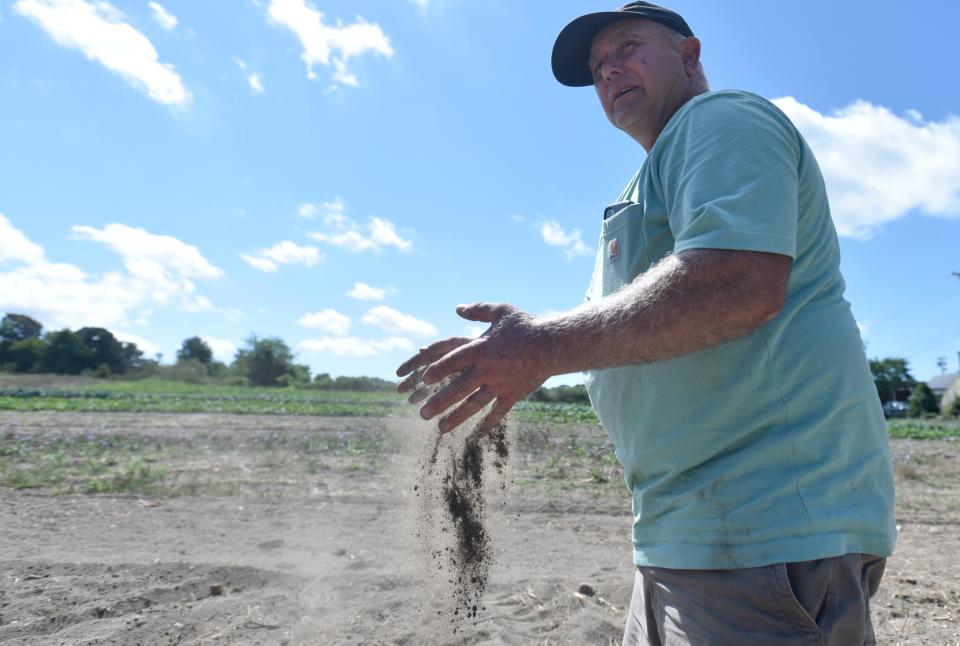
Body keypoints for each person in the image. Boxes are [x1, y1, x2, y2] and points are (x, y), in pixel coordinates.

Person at [396, 2, 896, 643]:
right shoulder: (652, 176)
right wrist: (517, 353)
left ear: (689, 55)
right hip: (691, 532)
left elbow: (737, 283)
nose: (609, 71)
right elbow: (627, 326)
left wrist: (540, 348)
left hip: (766, 528)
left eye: (627, 47)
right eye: (598, 66)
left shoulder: (720, 120)